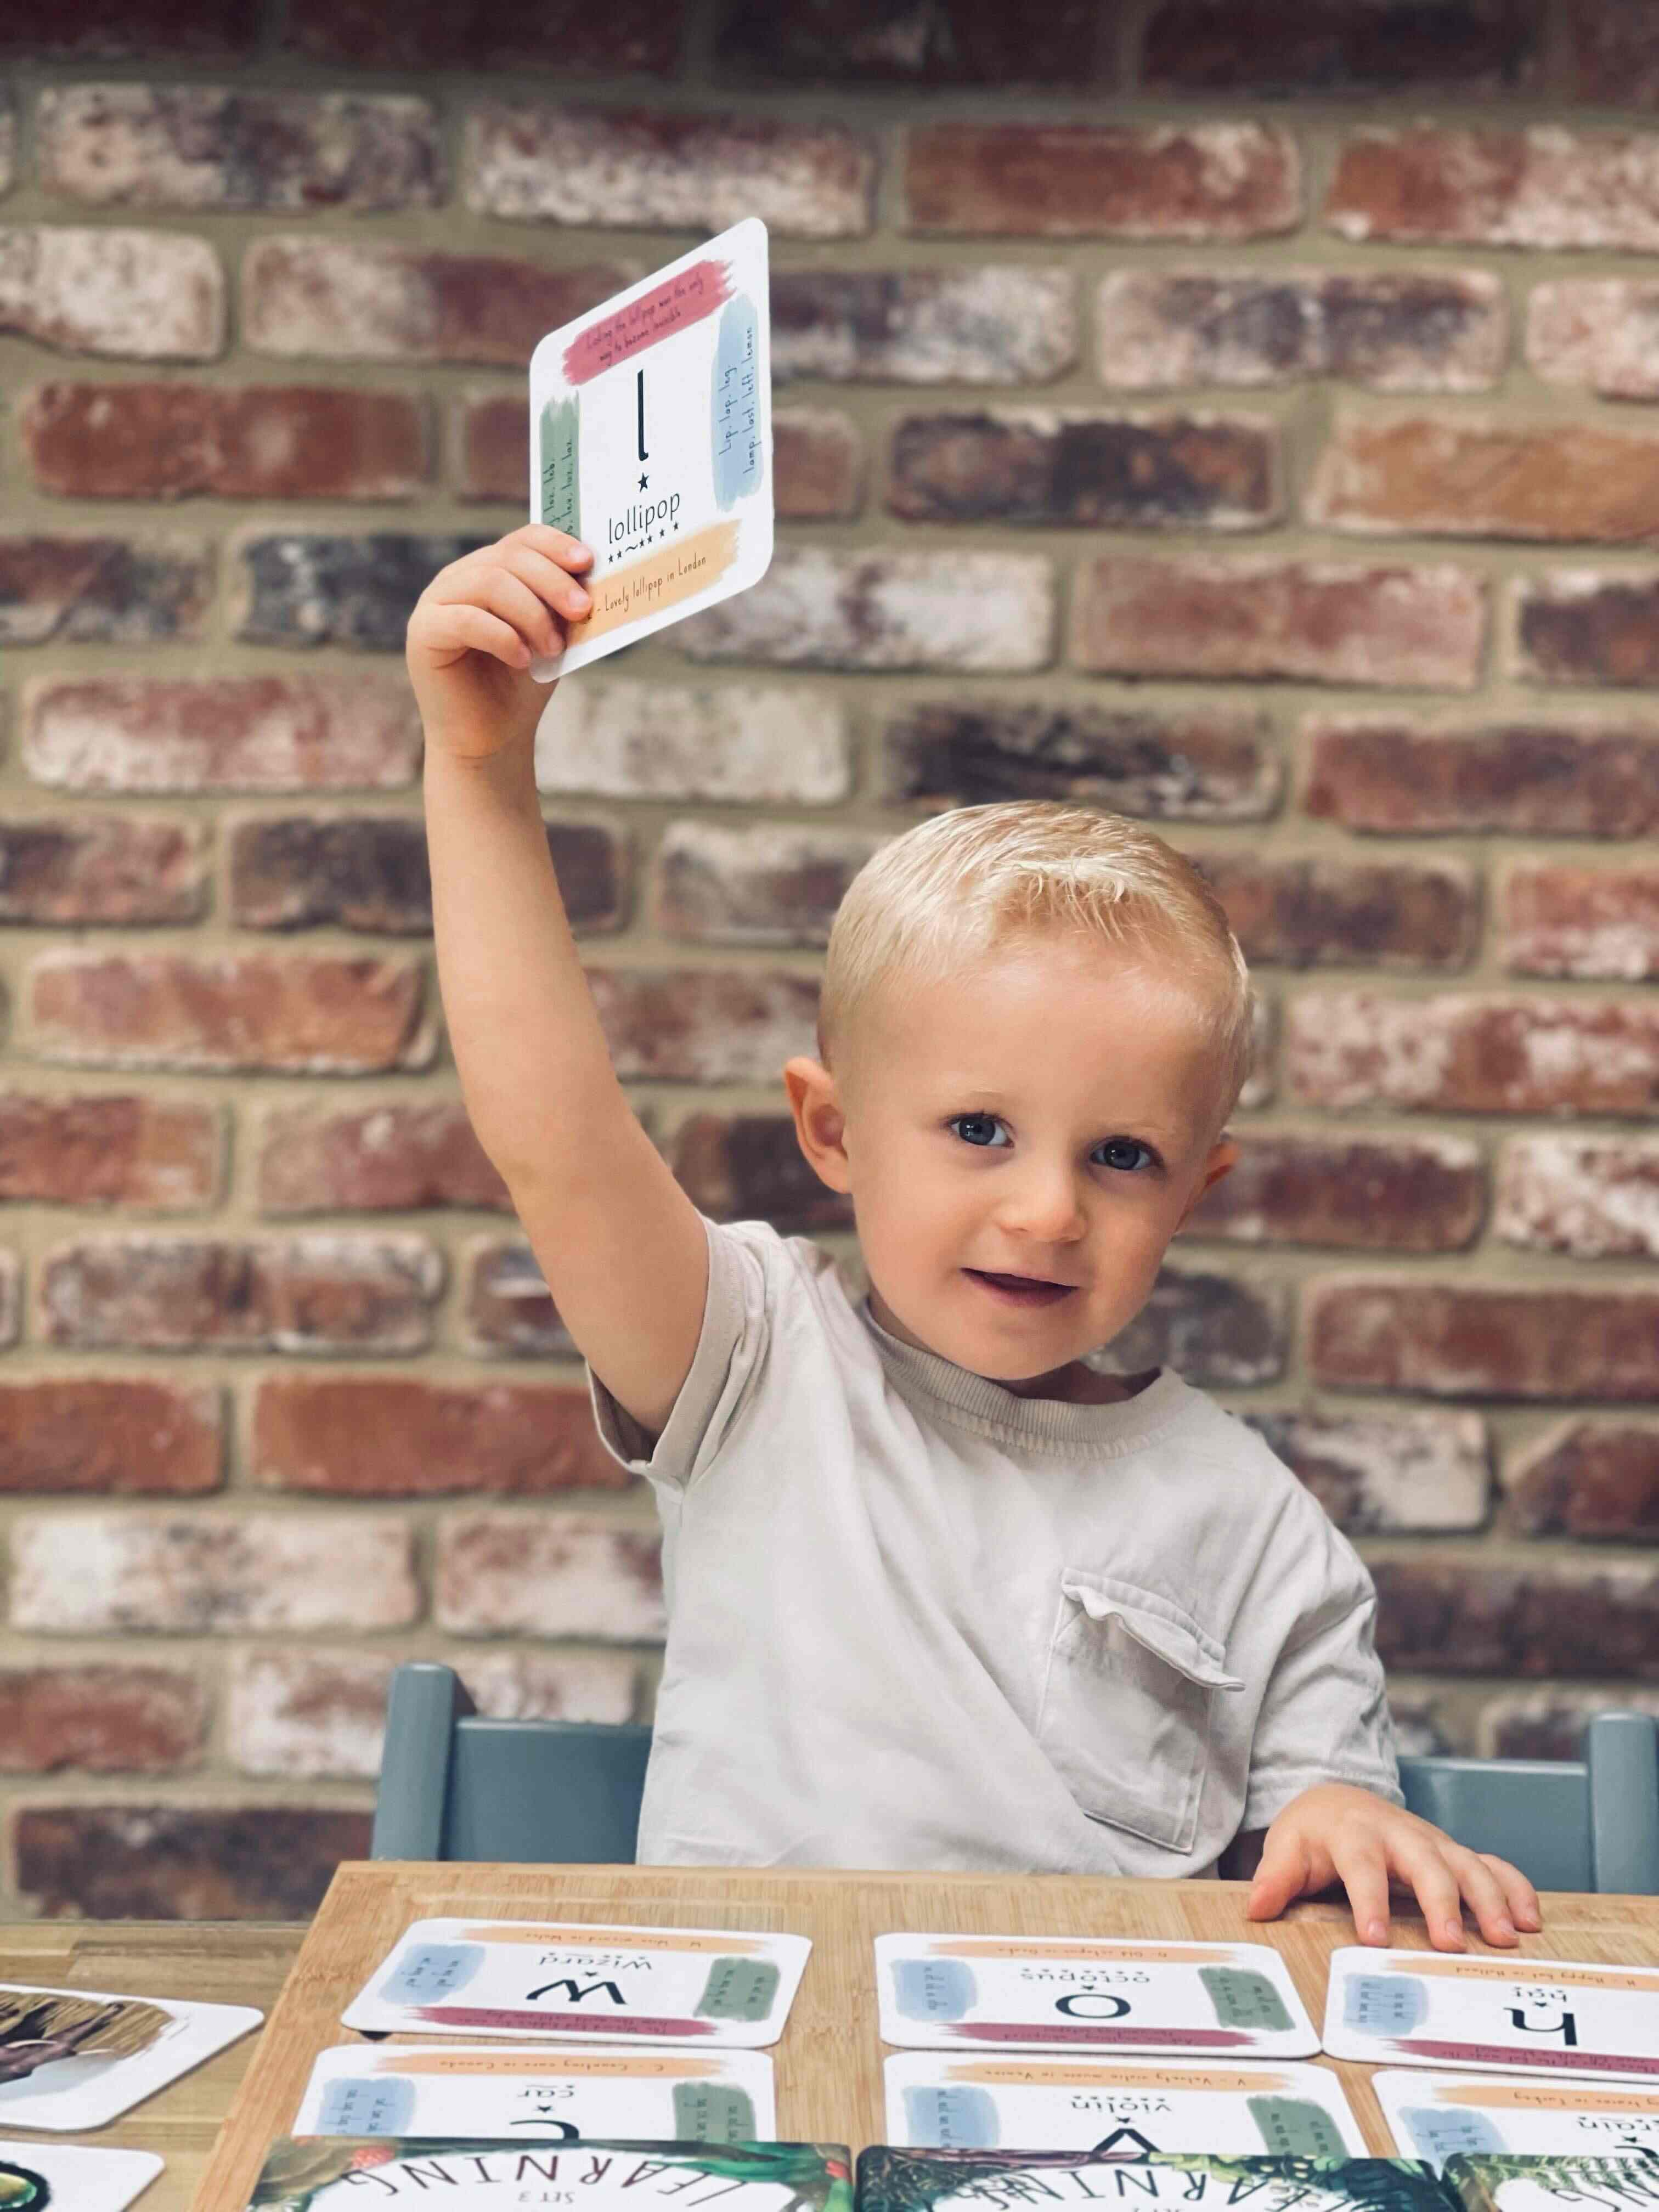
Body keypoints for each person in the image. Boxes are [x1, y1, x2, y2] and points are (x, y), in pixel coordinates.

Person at [411, 523, 1542, 1953]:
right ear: (832, 1133)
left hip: (1077, 2098)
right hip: (766, 2070)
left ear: (1196, 1193)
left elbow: (1325, 1817)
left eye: (1122, 1157)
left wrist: (1340, 1817)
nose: (1049, 1209)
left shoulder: (1258, 1529)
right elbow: (556, 1148)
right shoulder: (755, 1359)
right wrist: (479, 771)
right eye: (979, 1131)